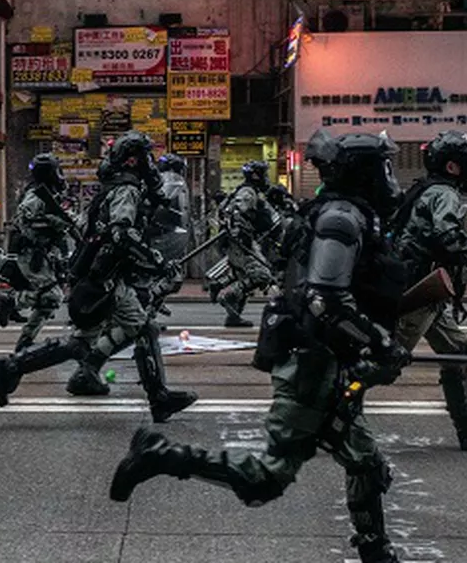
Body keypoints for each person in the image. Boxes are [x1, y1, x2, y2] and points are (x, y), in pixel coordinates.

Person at [107, 130, 411, 563]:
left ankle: (376, 552)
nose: (388, 176)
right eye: (382, 166)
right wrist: (378, 342)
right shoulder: (341, 218)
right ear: (363, 173)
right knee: (266, 480)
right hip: (310, 366)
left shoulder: (347, 214)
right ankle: (161, 455)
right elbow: (323, 298)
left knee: (365, 463)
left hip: (328, 360)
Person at [0, 131, 196, 423]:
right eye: (147, 156)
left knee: (81, 343)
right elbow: (121, 233)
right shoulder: (127, 188)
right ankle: (159, 397)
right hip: (106, 277)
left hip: (98, 276)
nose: (151, 163)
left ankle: (11, 367)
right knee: (143, 328)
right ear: (134, 159)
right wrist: (155, 260)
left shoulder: (112, 187)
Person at [391, 131, 467, 450]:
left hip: (429, 292)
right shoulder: (445, 193)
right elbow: (447, 236)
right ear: (454, 167)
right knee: (385, 362)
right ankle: (323, 417)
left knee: (456, 348)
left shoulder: (424, 188)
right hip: (419, 292)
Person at [0, 153, 73, 352]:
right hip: (32, 252)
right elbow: (23, 221)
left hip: (46, 253)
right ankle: (12, 301)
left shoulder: (48, 193)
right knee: (52, 296)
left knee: (49, 301)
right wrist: (55, 222)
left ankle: (26, 340)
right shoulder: (35, 196)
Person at [215, 160, 280, 327]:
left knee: (243, 276)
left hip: (239, 241)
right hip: (241, 243)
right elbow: (235, 214)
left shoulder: (247, 191)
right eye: (264, 174)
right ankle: (227, 294)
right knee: (261, 275)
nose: (266, 178)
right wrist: (242, 237)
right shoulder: (247, 192)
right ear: (256, 175)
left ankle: (233, 316)